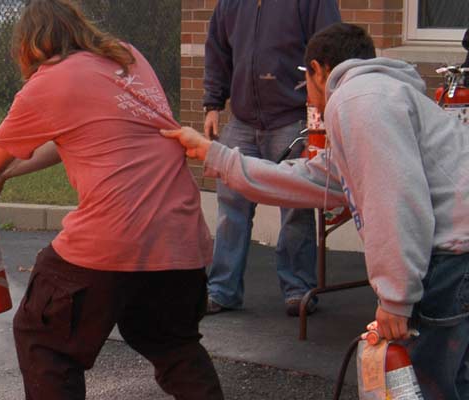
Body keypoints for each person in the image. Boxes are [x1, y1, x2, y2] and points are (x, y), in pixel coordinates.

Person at [0, 1, 223, 399]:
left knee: (43, 338)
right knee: (171, 343)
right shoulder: (127, 57)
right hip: (180, 238)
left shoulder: (49, 82)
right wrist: (5, 173)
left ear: (30, 46)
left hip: (114, 236)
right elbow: (69, 139)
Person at [162, 22, 469, 400]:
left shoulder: (356, 100)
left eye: (305, 85)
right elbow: (310, 179)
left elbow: (392, 198)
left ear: (319, 70)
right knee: (455, 382)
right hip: (456, 257)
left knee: (430, 387)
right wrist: (216, 156)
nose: (310, 100)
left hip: (451, 263)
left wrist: (395, 298)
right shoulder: (380, 95)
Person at [200, 0, 341, 315]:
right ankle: (222, 290)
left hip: (293, 119)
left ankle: (298, 290)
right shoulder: (231, 5)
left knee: (295, 207)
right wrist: (212, 104)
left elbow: (332, 49)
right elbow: (218, 52)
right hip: (242, 120)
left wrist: (319, 115)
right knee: (230, 207)